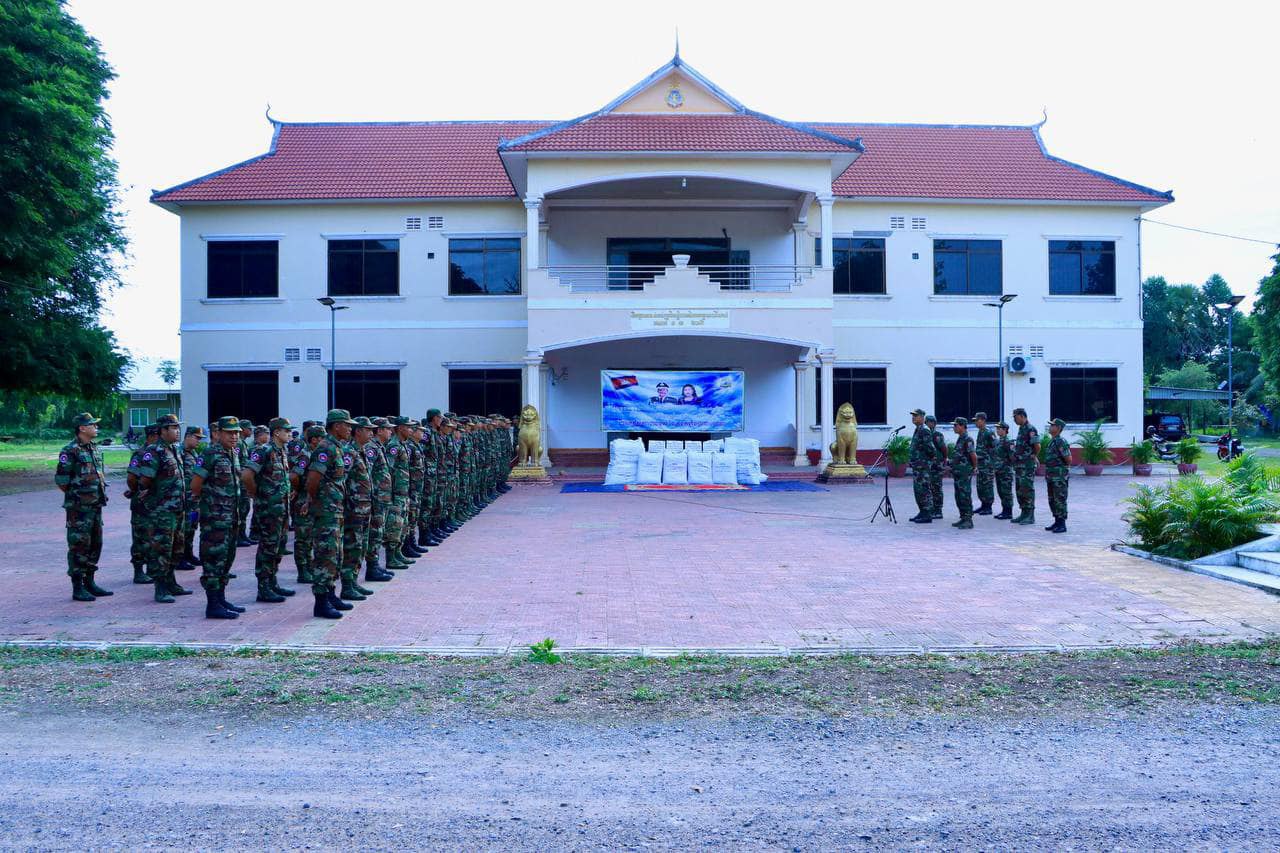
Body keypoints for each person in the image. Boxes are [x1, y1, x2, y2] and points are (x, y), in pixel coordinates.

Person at [191, 417, 245, 619]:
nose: (234, 436)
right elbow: (196, 484)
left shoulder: (233, 453)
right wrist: (209, 505)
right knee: (213, 559)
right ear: (217, 433)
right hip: (215, 519)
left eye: (236, 432)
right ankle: (212, 605)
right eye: (230, 432)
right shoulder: (209, 454)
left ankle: (221, 599)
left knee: (226, 559)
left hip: (231, 517)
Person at [137, 413, 192, 604]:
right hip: (162, 511)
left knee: (177, 547)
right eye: (174, 428)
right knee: (161, 548)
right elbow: (145, 479)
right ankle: (160, 587)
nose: (178, 431)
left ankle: (171, 582)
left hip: (178, 508)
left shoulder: (174, 449)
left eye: (178, 427)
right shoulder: (154, 451)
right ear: (163, 430)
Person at [55, 413, 110, 602]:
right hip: (79, 508)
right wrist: (78, 496)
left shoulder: (93, 448)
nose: (96, 427)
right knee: (79, 545)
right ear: (82, 428)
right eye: (92, 425)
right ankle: (77, 586)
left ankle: (90, 581)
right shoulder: (70, 450)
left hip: (95, 505)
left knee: (95, 543)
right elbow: (62, 480)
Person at [305, 409, 355, 618]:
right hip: (326, 511)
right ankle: (321, 602)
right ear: (336, 426)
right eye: (347, 425)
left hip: (335, 509)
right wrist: (316, 501)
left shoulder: (337, 447)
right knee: (325, 555)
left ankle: (331, 595)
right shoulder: (325, 448)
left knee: (335, 555)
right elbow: (313, 480)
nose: (350, 429)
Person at [243, 417, 295, 603]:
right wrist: (256, 494)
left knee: (278, 546)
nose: (289, 434)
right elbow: (247, 475)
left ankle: (272, 582)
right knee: (268, 546)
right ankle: (263, 587)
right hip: (268, 509)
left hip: (281, 508)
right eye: (286, 430)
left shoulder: (282, 451)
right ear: (276, 432)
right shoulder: (263, 451)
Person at [340, 417, 379, 600]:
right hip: (354, 509)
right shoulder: (349, 452)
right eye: (368, 430)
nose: (371, 433)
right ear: (358, 431)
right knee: (352, 547)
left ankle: (353, 582)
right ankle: (347, 586)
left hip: (364, 509)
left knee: (361, 547)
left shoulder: (361, 451)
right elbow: (342, 480)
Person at [124, 423, 159, 585]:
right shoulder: (141, 454)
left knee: (154, 536)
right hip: (142, 503)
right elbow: (131, 478)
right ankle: (138, 571)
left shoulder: (160, 452)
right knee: (140, 537)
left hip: (156, 503)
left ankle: (152, 568)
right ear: (153, 436)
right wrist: (136, 491)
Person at [290, 425, 325, 587]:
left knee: (310, 537)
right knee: (303, 538)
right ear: (314, 440)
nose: (324, 440)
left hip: (313, 500)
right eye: (321, 437)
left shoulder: (316, 454)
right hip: (304, 500)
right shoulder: (306, 455)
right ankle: (302, 570)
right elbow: (294, 476)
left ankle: (309, 567)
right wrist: (299, 491)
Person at [363, 417, 396, 583]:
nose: (391, 431)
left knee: (378, 532)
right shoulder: (371, 448)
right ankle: (372, 568)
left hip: (381, 499)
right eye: (388, 429)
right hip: (375, 499)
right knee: (374, 533)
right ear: (380, 430)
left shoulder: (379, 447)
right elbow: (366, 474)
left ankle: (374, 565)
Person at [382, 416, 415, 569]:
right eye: (408, 427)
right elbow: (388, 470)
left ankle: (398, 553)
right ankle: (391, 557)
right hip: (395, 492)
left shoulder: (402, 444)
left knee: (402, 524)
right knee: (394, 524)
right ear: (400, 428)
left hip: (403, 491)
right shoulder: (393, 446)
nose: (411, 430)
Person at [179, 426, 205, 570]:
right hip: (183, 499)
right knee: (182, 529)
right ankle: (180, 557)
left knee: (191, 527)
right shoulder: (179, 452)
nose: (198, 441)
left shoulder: (194, 453)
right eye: (197, 438)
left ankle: (188, 554)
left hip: (194, 500)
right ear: (188, 436)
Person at [1011, 407, 1041, 525]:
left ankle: (1030, 515)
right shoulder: (1021, 428)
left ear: (1022, 416)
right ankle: (1023, 513)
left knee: (1027, 489)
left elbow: (1037, 446)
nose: (1014, 420)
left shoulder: (1031, 429)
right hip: (1019, 465)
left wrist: (1034, 455)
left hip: (1027, 465)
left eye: (1015, 417)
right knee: (1019, 489)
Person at [907, 408, 936, 523]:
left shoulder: (924, 430)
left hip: (923, 466)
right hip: (918, 466)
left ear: (922, 417)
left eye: (916, 415)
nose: (913, 417)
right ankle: (922, 511)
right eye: (913, 415)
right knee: (918, 490)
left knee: (924, 489)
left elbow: (930, 448)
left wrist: (926, 460)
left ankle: (927, 514)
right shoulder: (918, 429)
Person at [1043, 418, 1072, 533]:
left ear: (1058, 428)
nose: (1050, 427)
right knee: (1052, 499)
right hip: (1051, 476)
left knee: (1060, 499)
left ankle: (1062, 524)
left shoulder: (1061, 441)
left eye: (1052, 425)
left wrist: (1061, 469)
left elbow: (1068, 459)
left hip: (1059, 477)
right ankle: (1056, 521)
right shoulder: (1053, 441)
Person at [950, 417, 978, 530]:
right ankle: (963, 517)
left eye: (956, 425)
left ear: (962, 426)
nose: (954, 427)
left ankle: (968, 520)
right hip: (958, 473)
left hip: (964, 473)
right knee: (958, 495)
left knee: (964, 495)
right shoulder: (960, 438)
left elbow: (973, 455)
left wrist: (975, 467)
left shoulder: (967, 439)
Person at [235, 419, 255, 547]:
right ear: (243, 429)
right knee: (241, 509)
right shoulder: (238, 443)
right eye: (249, 428)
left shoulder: (243, 443)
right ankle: (238, 536)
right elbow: (236, 463)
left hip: (243, 481)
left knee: (245, 508)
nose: (251, 431)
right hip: (240, 481)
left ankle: (242, 534)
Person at [972, 412, 996, 516]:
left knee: (987, 485)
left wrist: (992, 462)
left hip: (987, 464)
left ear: (983, 420)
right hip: (980, 463)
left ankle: (988, 507)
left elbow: (995, 448)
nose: (975, 423)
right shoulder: (980, 432)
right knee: (980, 485)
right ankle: (983, 505)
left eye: (977, 420)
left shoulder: (989, 432)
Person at [925, 414, 946, 520]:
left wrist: (944, 459)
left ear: (933, 423)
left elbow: (943, 448)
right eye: (926, 422)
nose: (927, 424)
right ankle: (932, 508)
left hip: (936, 465)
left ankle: (938, 510)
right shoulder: (925, 434)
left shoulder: (937, 435)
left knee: (936, 487)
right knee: (929, 487)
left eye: (929, 422)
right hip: (928, 465)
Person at [993, 421, 1015, 520]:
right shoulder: (999, 441)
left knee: (1006, 492)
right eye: (997, 429)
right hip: (999, 471)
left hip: (1006, 471)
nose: (997, 430)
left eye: (999, 429)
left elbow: (1012, 457)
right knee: (1001, 491)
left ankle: (1008, 512)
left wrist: (1006, 465)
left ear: (1005, 430)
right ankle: (1004, 510)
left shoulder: (1008, 442)